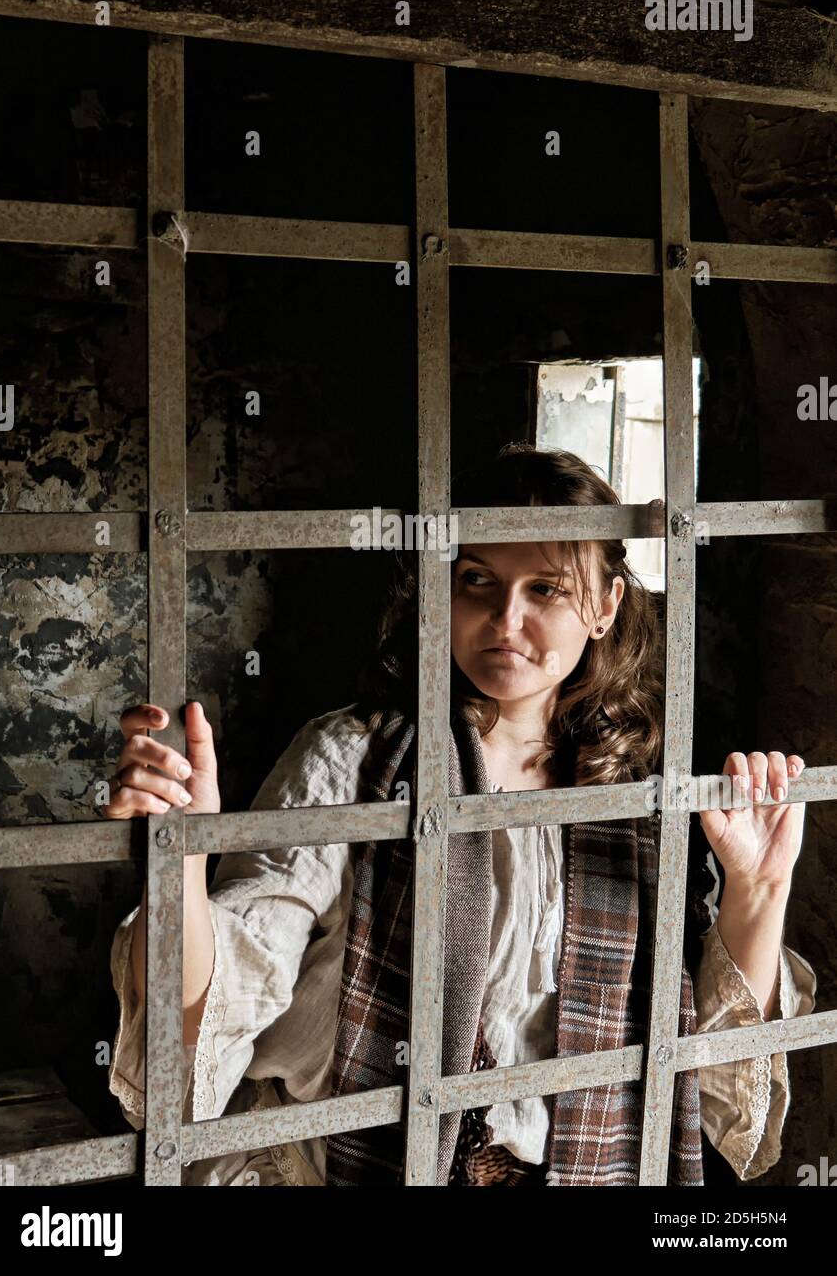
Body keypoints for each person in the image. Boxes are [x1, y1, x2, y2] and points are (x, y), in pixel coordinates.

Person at [105, 443, 816, 1186]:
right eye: (478, 580)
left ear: (605, 607)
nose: (506, 619)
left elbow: (722, 1110)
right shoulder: (352, 759)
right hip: (329, 1170)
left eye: (546, 589)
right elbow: (206, 1027)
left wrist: (758, 892)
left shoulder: (635, 795)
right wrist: (183, 862)